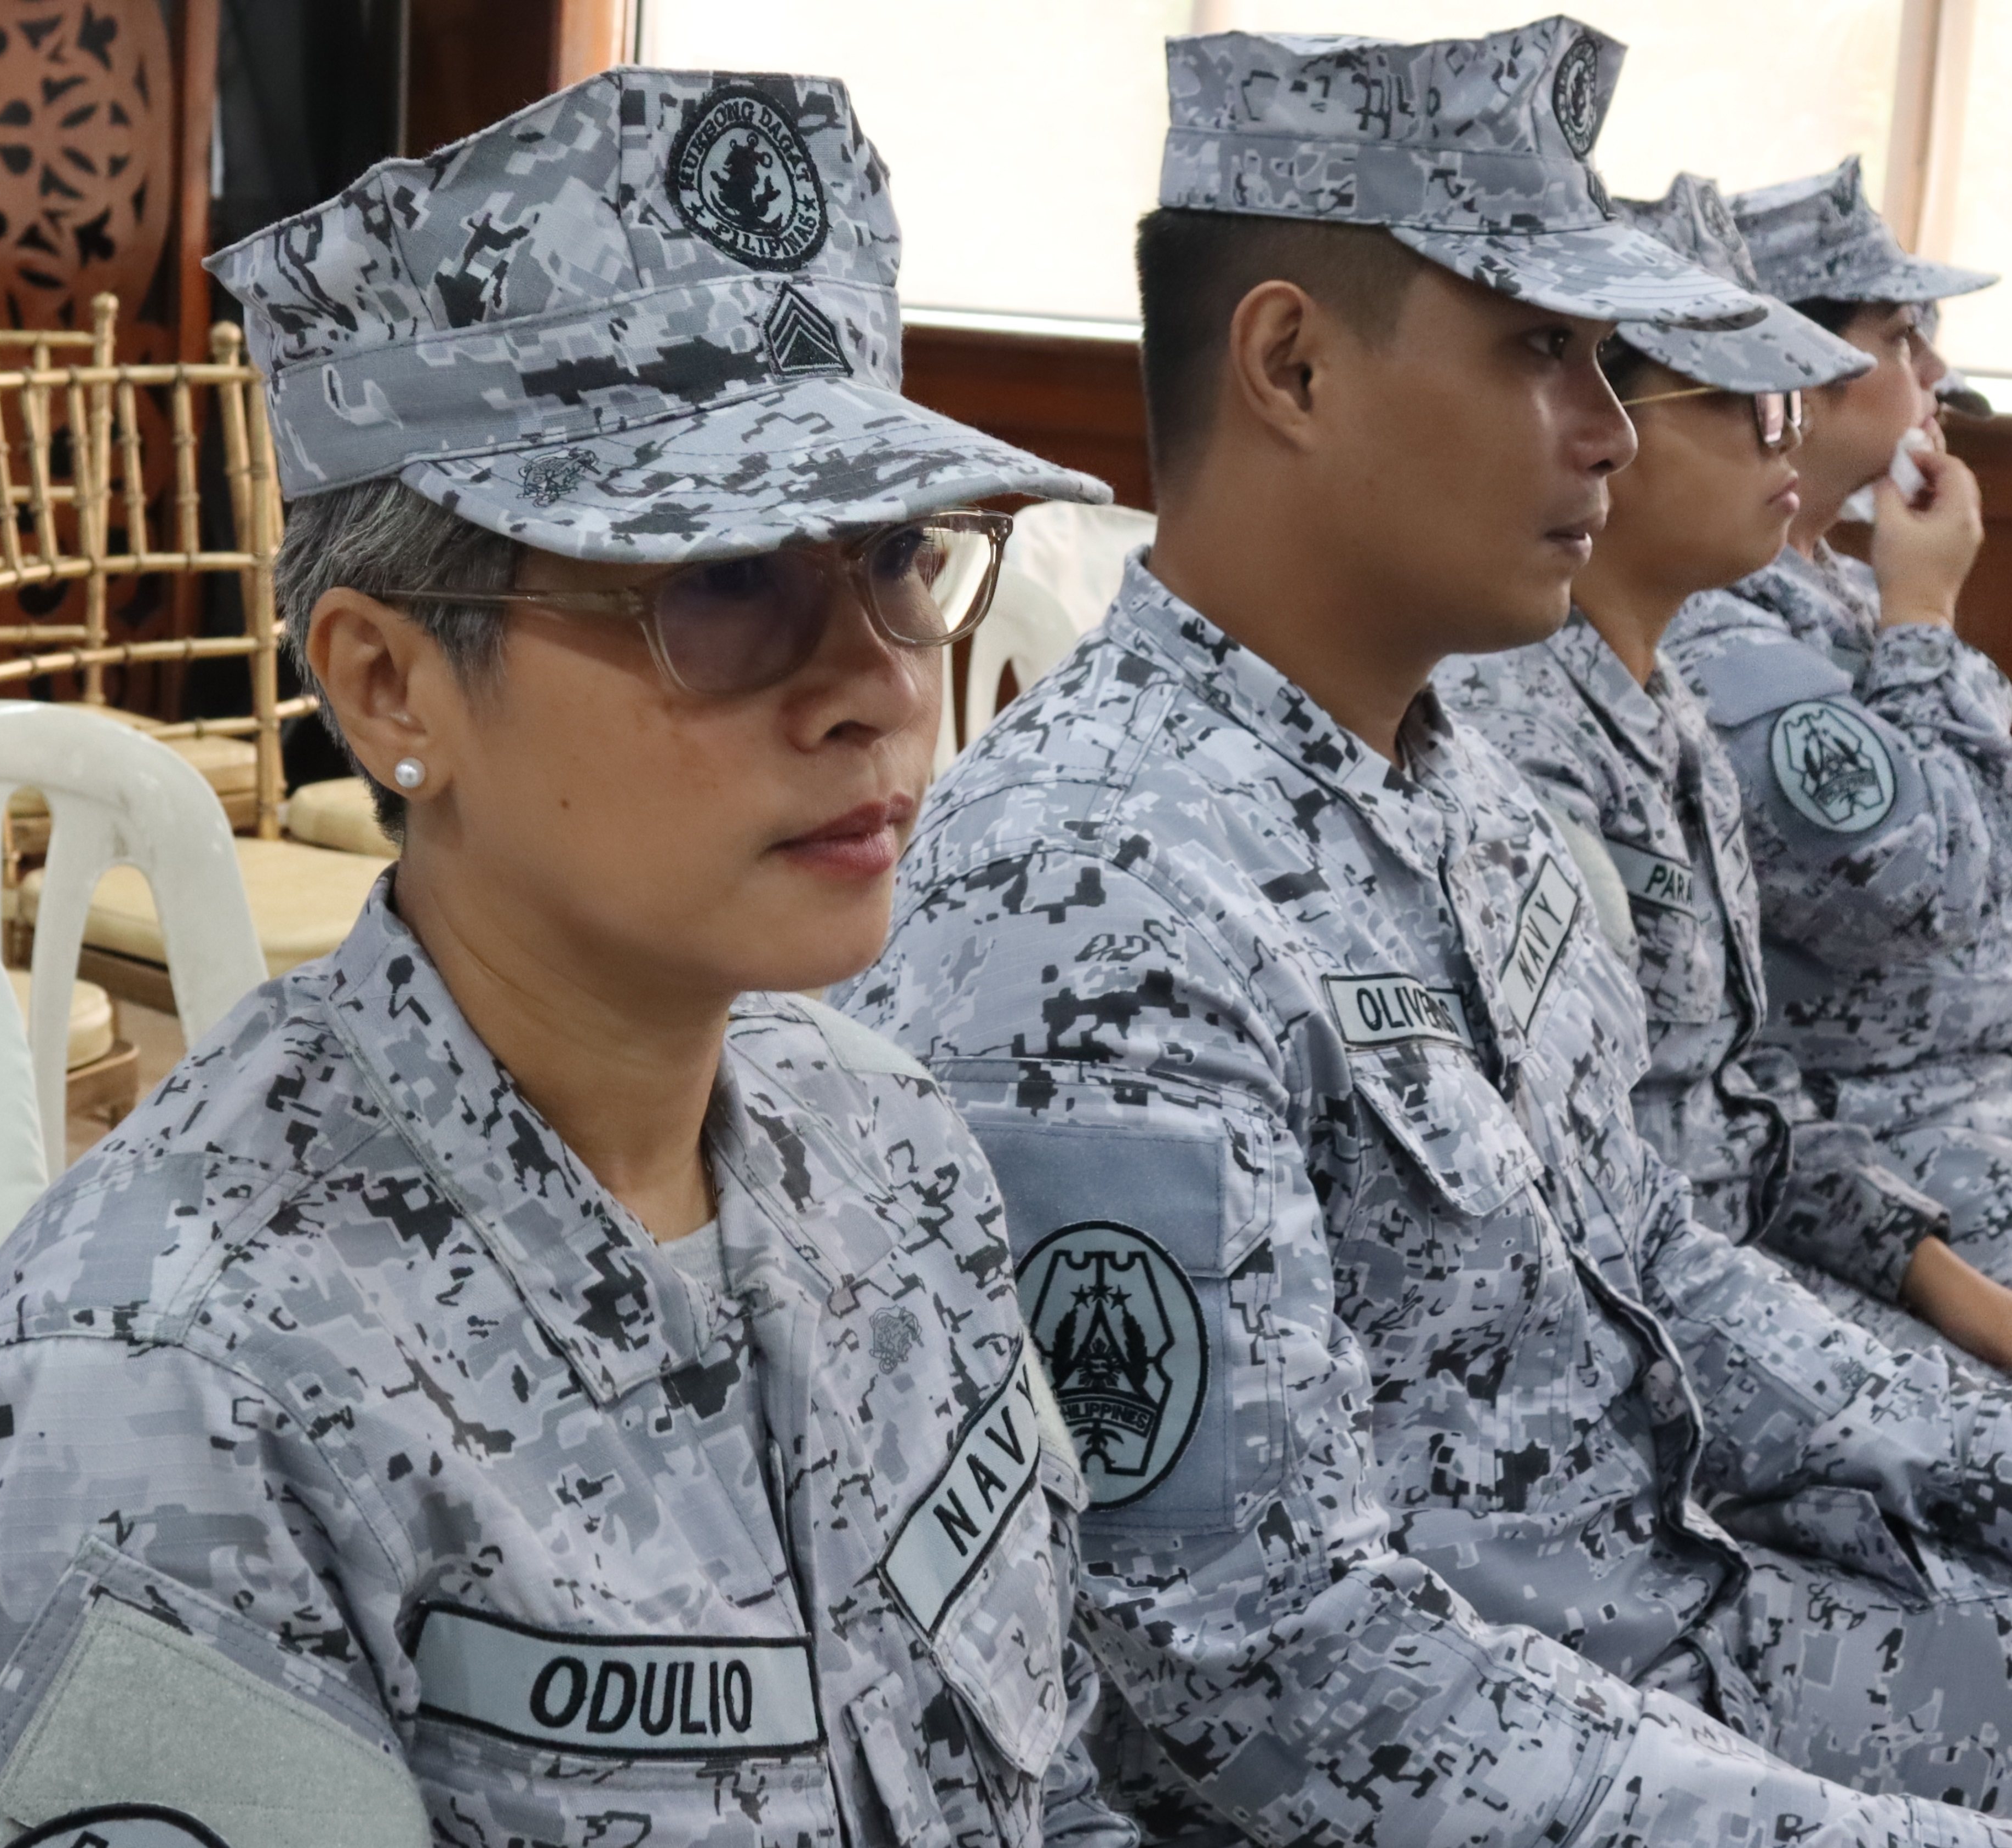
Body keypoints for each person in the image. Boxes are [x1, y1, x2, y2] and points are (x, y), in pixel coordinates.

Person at [0, 73, 1136, 1848]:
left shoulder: (885, 1149)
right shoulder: (156, 1404)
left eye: (900, 556)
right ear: (388, 684)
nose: (884, 686)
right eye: (726, 581)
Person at [845, 20, 2012, 1847]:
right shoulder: (1098, 899)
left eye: (1609, 364)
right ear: (1294, 364)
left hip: (1676, 1632)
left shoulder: (1469, 804)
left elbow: (1662, 1270)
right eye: (1540, 349)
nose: (1609, 429)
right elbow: (1262, 1675)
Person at [1438, 174, 2012, 1368]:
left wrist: (1959, 1306)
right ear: (1600, 441)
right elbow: (1922, 886)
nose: (1783, 429)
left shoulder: (1669, 705)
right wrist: (1922, 618)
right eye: (1750, 401)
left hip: (1768, 1243)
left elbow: (1742, 1108)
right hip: (1704, 1299)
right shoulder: (1541, 728)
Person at [1661, 161, 2012, 1281]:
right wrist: (1924, 615)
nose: (1938, 376)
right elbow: (1917, 895)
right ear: (1794, 370)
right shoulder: (1709, 623)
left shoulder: (1837, 588)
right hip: (1886, 1140)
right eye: (1903, 337)